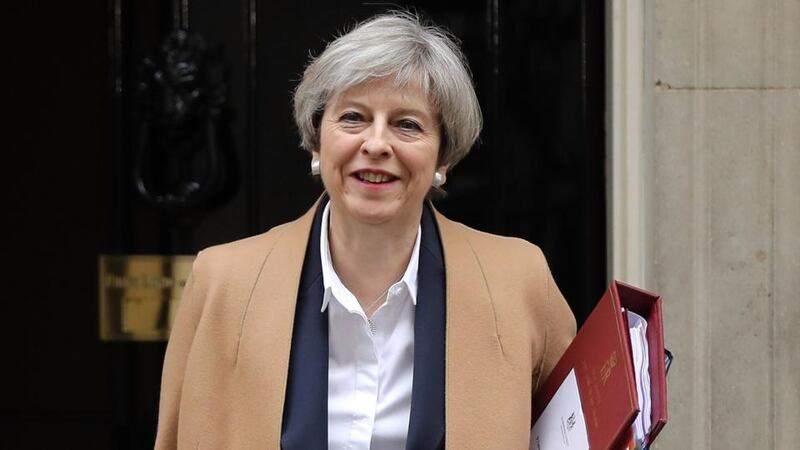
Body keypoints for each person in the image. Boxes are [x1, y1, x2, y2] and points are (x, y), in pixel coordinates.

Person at [155, 11, 575, 450]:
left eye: (407, 124)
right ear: (317, 139)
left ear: (443, 157)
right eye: (353, 117)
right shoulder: (223, 281)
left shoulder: (518, 279)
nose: (376, 144)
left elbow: (581, 431)